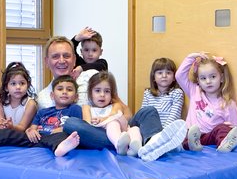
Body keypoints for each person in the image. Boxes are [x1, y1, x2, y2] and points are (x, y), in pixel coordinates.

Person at [41, 36, 184, 161]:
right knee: (72, 124)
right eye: (55, 56)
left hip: (118, 124)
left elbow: (126, 113)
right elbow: (52, 130)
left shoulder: (92, 76)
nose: (61, 61)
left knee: (148, 111)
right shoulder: (44, 97)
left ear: (74, 59)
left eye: (66, 56)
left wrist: (114, 120)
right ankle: (127, 143)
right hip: (91, 134)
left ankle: (153, 142)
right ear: (47, 61)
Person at [175, 52, 237, 152]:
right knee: (188, 133)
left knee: (222, 128)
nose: (208, 81)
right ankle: (193, 145)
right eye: (203, 78)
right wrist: (192, 57)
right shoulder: (194, 91)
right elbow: (179, 75)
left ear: (222, 78)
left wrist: (231, 128)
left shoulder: (228, 104)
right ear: (198, 81)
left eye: (213, 77)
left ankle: (224, 145)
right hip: (193, 136)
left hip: (211, 138)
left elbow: (236, 129)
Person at [137, 58, 186, 161]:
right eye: (160, 73)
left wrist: (162, 134)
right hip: (149, 131)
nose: (164, 76)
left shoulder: (177, 93)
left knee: (174, 140)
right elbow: (143, 114)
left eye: (168, 73)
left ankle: (156, 145)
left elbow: (174, 115)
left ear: (174, 77)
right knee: (148, 112)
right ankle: (146, 145)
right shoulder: (148, 93)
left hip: (165, 132)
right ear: (153, 77)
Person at [82, 71, 142, 156]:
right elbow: (87, 125)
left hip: (124, 131)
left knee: (135, 128)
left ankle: (135, 147)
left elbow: (115, 115)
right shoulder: (87, 107)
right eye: (97, 91)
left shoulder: (115, 105)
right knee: (112, 123)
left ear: (112, 94)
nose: (102, 94)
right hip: (102, 134)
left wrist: (103, 119)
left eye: (107, 91)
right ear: (90, 93)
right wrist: (98, 122)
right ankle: (119, 145)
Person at [0, 62, 38, 132]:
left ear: (28, 85)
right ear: (6, 87)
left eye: (22, 83)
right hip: (6, 134)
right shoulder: (2, 101)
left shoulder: (30, 104)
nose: (18, 87)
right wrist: (2, 125)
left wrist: (11, 126)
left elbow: (22, 127)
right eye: (13, 83)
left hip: (23, 137)